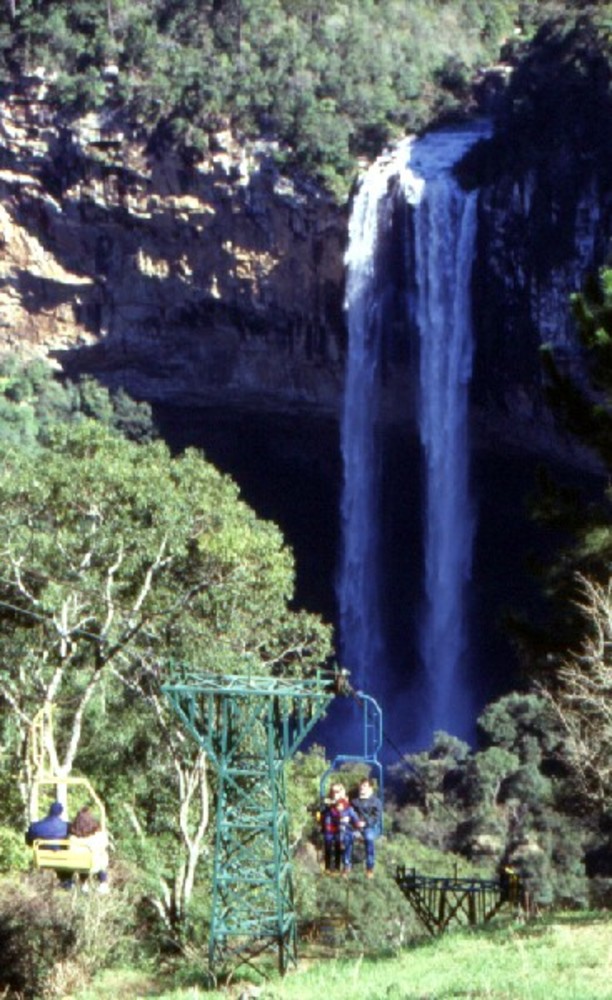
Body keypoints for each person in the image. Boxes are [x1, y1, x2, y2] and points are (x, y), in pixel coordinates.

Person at [321, 782, 361, 875]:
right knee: (329, 843)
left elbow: (353, 816)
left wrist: (357, 824)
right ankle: (329, 866)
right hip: (331, 829)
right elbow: (326, 807)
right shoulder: (328, 804)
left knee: (345, 840)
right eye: (333, 791)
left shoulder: (347, 806)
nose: (335, 794)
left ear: (342, 793)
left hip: (345, 829)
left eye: (337, 791)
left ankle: (345, 865)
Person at [69, 805, 110, 894]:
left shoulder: (72, 838)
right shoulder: (98, 836)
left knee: (83, 858)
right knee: (102, 855)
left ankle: (83, 883)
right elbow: (105, 844)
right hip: (94, 865)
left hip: (77, 865)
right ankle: (103, 882)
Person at [350, 778, 382, 878]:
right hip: (357, 826)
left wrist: (365, 823)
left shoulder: (376, 802)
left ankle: (369, 868)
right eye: (361, 786)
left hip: (370, 826)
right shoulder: (355, 802)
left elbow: (376, 817)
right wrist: (355, 822)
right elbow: (351, 813)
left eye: (364, 786)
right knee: (346, 836)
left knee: (368, 837)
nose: (362, 788)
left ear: (370, 788)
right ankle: (347, 864)